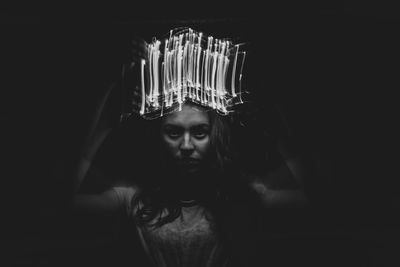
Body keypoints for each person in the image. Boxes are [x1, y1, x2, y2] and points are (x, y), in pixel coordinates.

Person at [70, 27, 308, 267]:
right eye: (173, 133)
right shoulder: (135, 200)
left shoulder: (241, 195)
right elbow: (73, 203)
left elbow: (305, 200)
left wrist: (277, 131)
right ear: (159, 140)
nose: (186, 145)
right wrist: (103, 125)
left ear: (214, 138)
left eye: (199, 132)